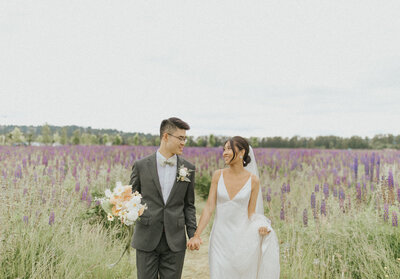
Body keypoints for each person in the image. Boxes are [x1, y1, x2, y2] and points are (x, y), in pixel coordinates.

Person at [187, 136, 280, 279]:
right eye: (224, 149)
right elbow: (209, 207)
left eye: (229, 148)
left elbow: (251, 213)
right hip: (219, 239)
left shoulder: (253, 180)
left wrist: (262, 225)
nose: (225, 152)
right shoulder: (218, 175)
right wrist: (197, 235)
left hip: (242, 239)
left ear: (242, 152)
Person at [129, 117, 197, 279]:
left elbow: (189, 205)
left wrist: (192, 233)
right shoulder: (141, 166)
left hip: (175, 239)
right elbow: (131, 198)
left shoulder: (188, 168)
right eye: (180, 138)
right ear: (166, 136)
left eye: (185, 138)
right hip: (147, 237)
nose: (183, 143)